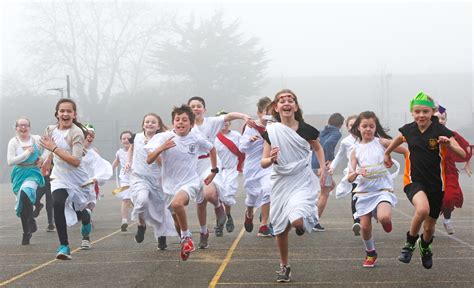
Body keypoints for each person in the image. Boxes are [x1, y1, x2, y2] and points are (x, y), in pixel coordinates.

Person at [384, 92, 466, 269]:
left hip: (437, 185)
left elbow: (463, 153)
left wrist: (449, 144)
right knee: (422, 209)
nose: (421, 115)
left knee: (429, 228)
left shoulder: (441, 131)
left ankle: (425, 246)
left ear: (432, 112)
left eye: (425, 111)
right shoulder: (409, 129)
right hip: (414, 181)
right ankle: (409, 244)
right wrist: (387, 152)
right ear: (412, 112)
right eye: (417, 111)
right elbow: (399, 138)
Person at [261, 89, 326, 283]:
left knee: (297, 222)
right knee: (280, 229)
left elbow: (317, 147)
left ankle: (303, 222)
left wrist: (322, 167)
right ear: (276, 107)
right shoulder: (271, 131)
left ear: (295, 106)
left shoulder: (307, 129)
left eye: (290, 100)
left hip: (301, 179)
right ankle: (284, 266)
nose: (286, 103)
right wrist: (270, 159)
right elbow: (262, 162)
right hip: (281, 181)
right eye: (282, 100)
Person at [146, 105, 215, 260]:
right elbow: (149, 159)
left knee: (178, 204)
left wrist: (214, 170)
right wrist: (161, 148)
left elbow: (212, 149)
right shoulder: (164, 137)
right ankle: (185, 240)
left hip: (190, 182)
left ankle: (187, 238)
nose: (180, 122)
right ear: (173, 123)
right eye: (177, 119)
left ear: (191, 124)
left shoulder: (196, 138)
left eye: (185, 120)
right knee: (177, 221)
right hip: (169, 186)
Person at [187, 96, 255, 247]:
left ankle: (219, 208)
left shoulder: (211, 122)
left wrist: (243, 116)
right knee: (200, 204)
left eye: (199, 106)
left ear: (204, 109)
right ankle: (204, 232)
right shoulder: (185, 124)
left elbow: (229, 116)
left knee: (209, 194)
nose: (196, 108)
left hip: (210, 163)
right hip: (192, 167)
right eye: (192, 106)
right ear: (188, 110)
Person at [347, 111, 407, 268]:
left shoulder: (382, 142)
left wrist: (409, 159)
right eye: (364, 126)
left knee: (385, 218)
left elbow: (404, 150)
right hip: (364, 192)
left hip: (382, 189)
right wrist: (357, 172)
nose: (368, 129)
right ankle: (370, 253)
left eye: (371, 126)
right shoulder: (355, 150)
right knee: (365, 227)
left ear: (375, 127)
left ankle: (385, 221)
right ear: (358, 128)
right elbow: (349, 177)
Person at [40, 98, 93, 259]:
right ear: (57, 113)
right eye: (62, 111)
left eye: (69, 111)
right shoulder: (50, 129)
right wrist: (47, 161)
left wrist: (54, 149)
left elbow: (76, 161)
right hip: (59, 176)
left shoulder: (76, 133)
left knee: (79, 211)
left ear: (74, 114)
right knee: (57, 203)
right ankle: (64, 246)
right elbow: (48, 148)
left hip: (77, 178)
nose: (65, 114)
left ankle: (86, 217)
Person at [126, 113, 176, 251]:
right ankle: (141, 224)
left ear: (158, 126)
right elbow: (131, 148)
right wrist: (128, 162)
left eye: (153, 122)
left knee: (160, 209)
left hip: (157, 178)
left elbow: (161, 163)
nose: (149, 124)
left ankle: (161, 238)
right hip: (139, 177)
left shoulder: (160, 140)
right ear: (143, 124)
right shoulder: (136, 137)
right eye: (147, 121)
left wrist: (152, 150)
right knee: (142, 200)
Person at [239, 97, 273, 237]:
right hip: (252, 166)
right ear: (259, 113)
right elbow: (241, 148)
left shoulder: (276, 126)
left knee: (267, 190)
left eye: (271, 112)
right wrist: (249, 140)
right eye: (266, 112)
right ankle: (249, 212)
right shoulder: (251, 126)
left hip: (268, 165)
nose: (268, 116)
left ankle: (264, 225)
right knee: (252, 197)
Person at [7, 117, 45, 245]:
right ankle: (26, 232)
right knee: (23, 204)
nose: (23, 128)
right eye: (20, 125)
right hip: (19, 174)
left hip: (33, 172)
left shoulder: (36, 139)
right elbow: (10, 161)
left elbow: (50, 149)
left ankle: (30, 220)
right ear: (16, 128)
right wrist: (26, 153)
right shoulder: (14, 142)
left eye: (26, 125)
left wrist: (42, 159)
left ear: (30, 127)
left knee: (25, 193)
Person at [434, 108, 472, 234]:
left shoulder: (451, 134)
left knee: (449, 197)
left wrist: (467, 162)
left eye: (443, 118)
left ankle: (447, 220)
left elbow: (466, 149)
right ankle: (430, 226)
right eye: (437, 118)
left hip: (449, 171)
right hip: (431, 171)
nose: (440, 120)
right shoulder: (424, 134)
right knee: (431, 200)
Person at [311, 113, 344, 231]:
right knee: (325, 193)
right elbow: (329, 144)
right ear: (341, 124)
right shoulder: (336, 133)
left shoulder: (321, 131)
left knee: (331, 186)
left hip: (313, 164)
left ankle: (312, 207)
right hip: (324, 166)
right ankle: (314, 221)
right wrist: (330, 159)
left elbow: (313, 144)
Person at [328, 115, 360, 235]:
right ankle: (357, 221)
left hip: (368, 174)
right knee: (355, 197)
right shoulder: (345, 142)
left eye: (356, 125)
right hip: (354, 174)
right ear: (347, 127)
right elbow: (339, 156)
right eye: (351, 125)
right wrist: (332, 167)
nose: (354, 127)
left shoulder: (367, 138)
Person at [214, 110, 243, 235]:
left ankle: (228, 215)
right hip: (217, 171)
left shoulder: (236, 135)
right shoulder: (212, 136)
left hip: (231, 169)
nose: (225, 123)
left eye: (227, 121)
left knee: (228, 195)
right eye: (222, 121)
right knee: (217, 196)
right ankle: (219, 223)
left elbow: (244, 148)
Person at [112, 130, 134, 232]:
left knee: (135, 200)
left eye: (128, 138)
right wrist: (107, 173)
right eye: (123, 138)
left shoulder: (136, 150)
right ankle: (124, 221)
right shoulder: (120, 153)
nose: (126, 140)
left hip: (136, 178)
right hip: (125, 178)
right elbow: (115, 164)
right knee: (125, 199)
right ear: (121, 141)